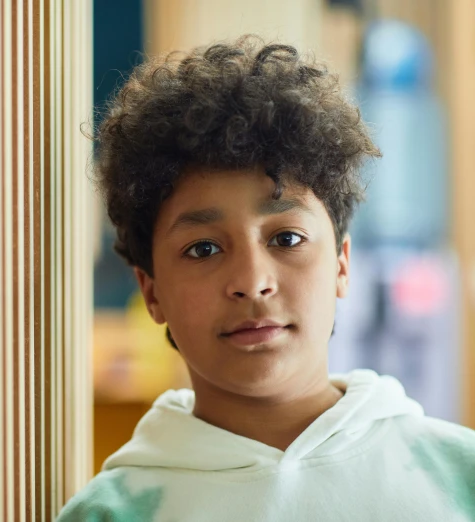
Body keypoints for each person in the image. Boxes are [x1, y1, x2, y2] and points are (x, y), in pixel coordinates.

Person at [58, 36, 475, 521]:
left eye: (287, 239)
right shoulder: (111, 512)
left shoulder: (457, 476)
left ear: (341, 263)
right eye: (204, 248)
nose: (252, 282)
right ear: (151, 290)